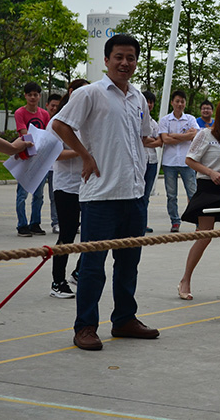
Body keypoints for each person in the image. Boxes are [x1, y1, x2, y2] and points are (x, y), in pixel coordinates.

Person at [52, 34, 160, 351]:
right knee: (92, 266)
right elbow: (60, 125)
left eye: (131, 58)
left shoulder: (138, 98)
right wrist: (85, 155)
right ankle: (85, 326)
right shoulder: (90, 94)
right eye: (119, 57)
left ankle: (125, 319)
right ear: (107, 60)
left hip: (134, 195)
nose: (125, 63)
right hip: (100, 196)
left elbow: (144, 136)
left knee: (128, 265)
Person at [177, 97, 220, 301]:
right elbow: (190, 160)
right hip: (208, 187)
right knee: (204, 235)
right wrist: (210, 172)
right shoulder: (206, 134)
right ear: (219, 112)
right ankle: (185, 280)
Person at [47, 84, 87, 298]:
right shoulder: (56, 121)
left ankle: (79, 272)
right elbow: (53, 154)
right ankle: (57, 282)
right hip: (66, 186)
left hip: (88, 184)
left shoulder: (87, 119)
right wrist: (82, 152)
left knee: (92, 233)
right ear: (71, 93)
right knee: (67, 235)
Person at [159, 90, 199, 232]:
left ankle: (198, 221)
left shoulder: (190, 119)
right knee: (171, 195)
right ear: (172, 103)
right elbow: (165, 139)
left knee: (193, 193)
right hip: (169, 162)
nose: (180, 104)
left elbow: (194, 136)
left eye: (182, 101)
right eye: (177, 101)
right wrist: (185, 136)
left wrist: (175, 135)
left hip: (187, 162)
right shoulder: (165, 120)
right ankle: (175, 221)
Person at [14, 81, 50, 237]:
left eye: (35, 94)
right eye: (30, 94)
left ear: (39, 96)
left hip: (40, 158)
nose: (33, 97)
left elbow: (47, 134)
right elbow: (24, 133)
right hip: (25, 156)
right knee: (22, 194)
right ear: (25, 96)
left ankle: (35, 223)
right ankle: (22, 225)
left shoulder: (44, 114)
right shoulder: (19, 113)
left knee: (39, 194)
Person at [141, 91, 162, 233]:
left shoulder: (154, 123)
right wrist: (149, 140)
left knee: (146, 195)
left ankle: (143, 223)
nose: (149, 104)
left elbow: (160, 141)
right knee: (137, 194)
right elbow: (140, 139)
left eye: (151, 102)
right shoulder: (135, 119)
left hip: (152, 162)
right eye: (146, 101)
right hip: (139, 161)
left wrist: (147, 141)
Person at [45, 93, 62, 234]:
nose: (55, 108)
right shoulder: (51, 122)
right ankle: (56, 222)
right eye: (52, 106)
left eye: (57, 106)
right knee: (53, 197)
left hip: (61, 167)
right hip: (50, 166)